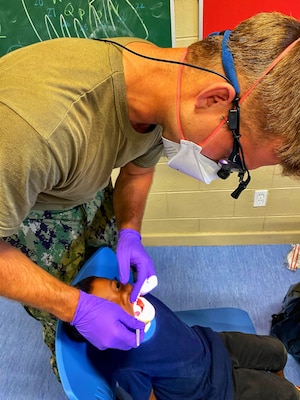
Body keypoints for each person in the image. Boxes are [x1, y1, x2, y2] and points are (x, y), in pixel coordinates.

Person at [1, 10, 300, 374]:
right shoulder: (32, 133)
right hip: (27, 213)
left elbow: (137, 169)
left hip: (75, 185)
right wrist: (72, 307)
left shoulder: (161, 88)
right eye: (232, 157)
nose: (219, 167)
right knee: (71, 318)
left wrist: (129, 231)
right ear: (214, 100)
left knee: (103, 274)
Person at [65, 275, 300, 400]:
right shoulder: (128, 367)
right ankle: (286, 389)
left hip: (213, 345)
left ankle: (279, 379)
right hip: (213, 390)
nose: (125, 295)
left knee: (277, 350)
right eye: (110, 306)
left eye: (116, 286)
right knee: (287, 395)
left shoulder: (143, 300)